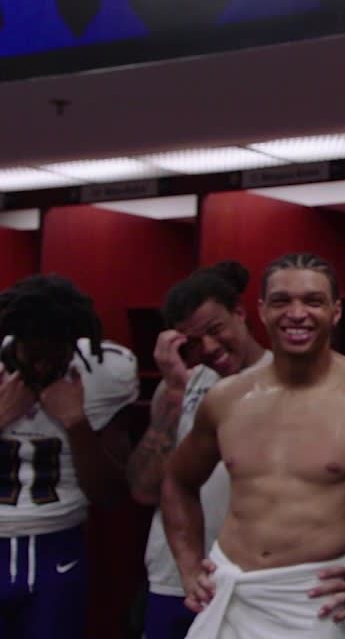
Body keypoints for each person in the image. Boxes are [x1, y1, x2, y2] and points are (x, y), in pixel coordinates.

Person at [161, 252, 345, 639]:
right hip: (229, 591)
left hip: (312, 602)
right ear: (261, 310)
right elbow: (177, 480)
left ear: (336, 311)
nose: (297, 313)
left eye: (313, 301)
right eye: (281, 301)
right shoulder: (226, 399)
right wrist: (188, 567)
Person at [126, 261, 270, 639]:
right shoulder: (183, 385)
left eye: (216, 329)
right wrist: (173, 389)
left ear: (240, 313)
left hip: (254, 584)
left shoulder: (284, 380)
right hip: (176, 580)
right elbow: (143, 488)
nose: (208, 348)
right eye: (193, 341)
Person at [0, 274, 139, 638]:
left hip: (58, 543)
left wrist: (76, 423)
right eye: (34, 356)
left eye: (55, 357)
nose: (44, 368)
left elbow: (110, 495)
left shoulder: (104, 370)